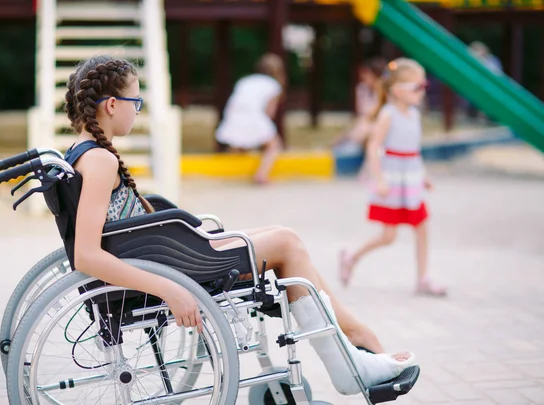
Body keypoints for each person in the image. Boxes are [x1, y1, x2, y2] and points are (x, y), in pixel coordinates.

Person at [64, 55, 415, 395]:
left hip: (166, 253)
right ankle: (350, 353)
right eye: (135, 101)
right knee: (287, 243)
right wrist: (170, 290)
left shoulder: (84, 152)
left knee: (283, 238)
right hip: (168, 267)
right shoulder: (99, 161)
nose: (137, 111)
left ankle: (354, 340)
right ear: (112, 105)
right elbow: (87, 256)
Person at [339, 58, 447, 297]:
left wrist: (424, 175)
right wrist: (379, 179)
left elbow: (413, 150)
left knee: (421, 226)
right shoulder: (388, 115)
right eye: (417, 87)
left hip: (411, 180)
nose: (422, 92)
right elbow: (373, 147)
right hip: (392, 180)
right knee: (388, 236)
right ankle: (351, 256)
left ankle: (423, 278)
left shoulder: (415, 116)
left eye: (423, 86)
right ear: (398, 91)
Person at [215, 53, 285, 184]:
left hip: (233, 115)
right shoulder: (273, 85)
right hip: (253, 116)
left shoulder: (245, 80)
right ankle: (262, 174)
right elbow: (270, 112)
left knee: (238, 145)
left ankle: (231, 175)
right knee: (274, 146)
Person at [331, 57, 386, 152]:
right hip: (365, 124)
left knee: (362, 134)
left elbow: (379, 114)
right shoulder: (362, 89)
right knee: (343, 140)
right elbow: (362, 114)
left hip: (378, 125)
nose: (364, 77)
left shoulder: (384, 92)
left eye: (367, 74)